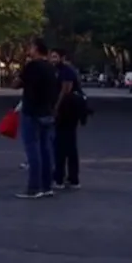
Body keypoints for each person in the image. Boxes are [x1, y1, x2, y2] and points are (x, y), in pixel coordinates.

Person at [13, 38, 58, 198]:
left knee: (32, 149)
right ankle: (47, 185)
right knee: (46, 149)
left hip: (32, 111)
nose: (28, 50)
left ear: (36, 49)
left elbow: (16, 84)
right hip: (47, 111)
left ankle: (34, 187)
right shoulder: (50, 67)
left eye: (30, 47)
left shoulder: (32, 66)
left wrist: (21, 70)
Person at [50, 47, 82, 190]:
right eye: (51, 56)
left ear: (62, 58)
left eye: (55, 56)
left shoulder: (66, 71)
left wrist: (56, 108)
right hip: (65, 111)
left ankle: (61, 178)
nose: (52, 59)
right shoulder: (57, 70)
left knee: (63, 146)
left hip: (68, 112)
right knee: (66, 145)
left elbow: (65, 90)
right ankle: (70, 178)